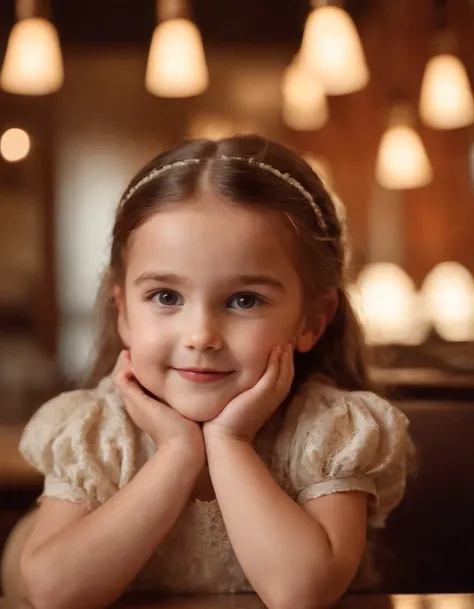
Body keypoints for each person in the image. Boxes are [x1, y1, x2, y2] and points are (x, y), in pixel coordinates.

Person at [2, 135, 415, 609]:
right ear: (123, 312)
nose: (201, 335)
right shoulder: (98, 433)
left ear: (311, 321)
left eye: (244, 300)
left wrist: (228, 442)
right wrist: (177, 453)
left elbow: (300, 592)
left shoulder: (328, 434)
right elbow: (54, 593)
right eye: (166, 297)